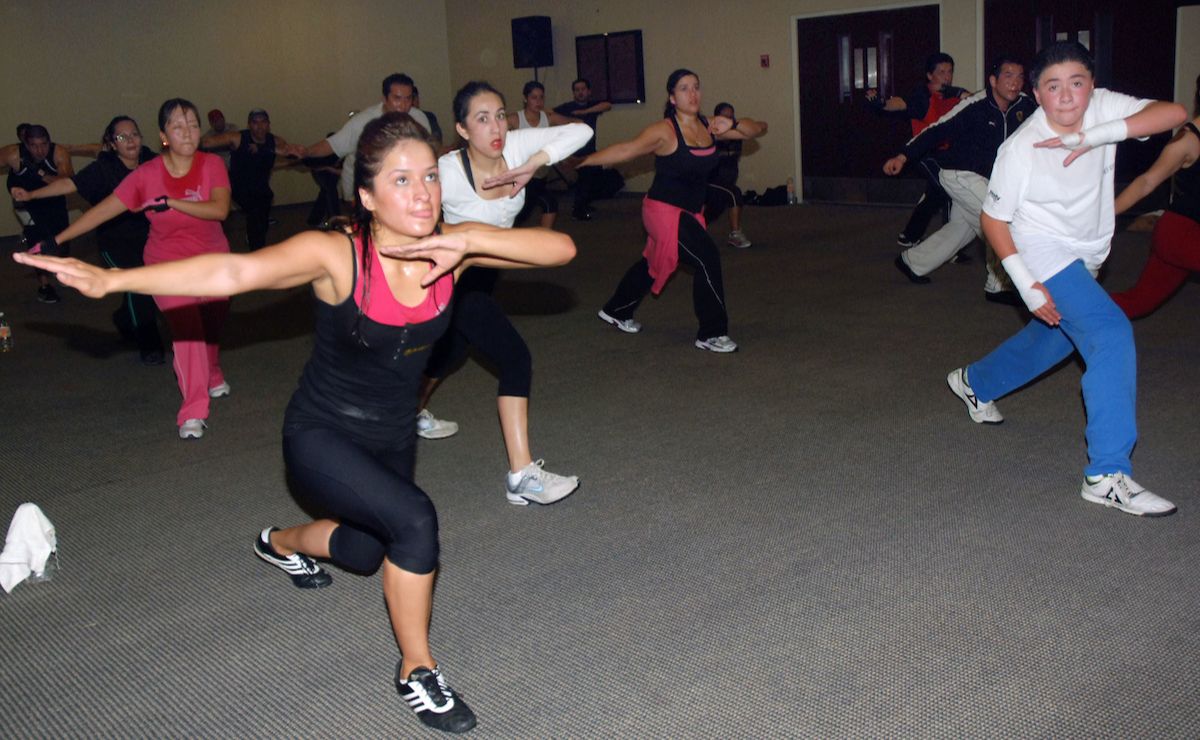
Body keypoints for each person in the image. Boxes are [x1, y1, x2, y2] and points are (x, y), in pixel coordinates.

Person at [16, 111, 577, 734]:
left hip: (390, 436)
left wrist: (471, 240)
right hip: (321, 433)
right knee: (415, 520)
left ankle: (278, 542)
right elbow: (236, 271)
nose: (421, 194)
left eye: (429, 178)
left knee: (366, 552)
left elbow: (562, 249)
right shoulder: (337, 254)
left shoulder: (452, 246)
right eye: (399, 180)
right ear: (365, 195)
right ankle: (416, 670)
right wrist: (115, 278)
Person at [946, 41, 1186, 517]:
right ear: (1036, 94)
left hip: (1086, 251)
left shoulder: (1102, 107)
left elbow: (1174, 113)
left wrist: (1099, 136)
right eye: (1053, 87)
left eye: (1077, 83)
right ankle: (1106, 474)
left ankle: (975, 381)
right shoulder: (1020, 148)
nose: (1067, 97)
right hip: (1038, 250)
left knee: (1056, 336)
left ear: (1091, 86)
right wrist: (1025, 280)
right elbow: (995, 221)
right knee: (1109, 333)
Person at [420, 81, 591, 505]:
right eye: (482, 119)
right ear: (462, 130)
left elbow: (581, 132)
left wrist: (535, 162)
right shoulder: (446, 172)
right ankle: (521, 475)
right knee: (515, 358)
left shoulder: (514, 147)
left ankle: (404, 413)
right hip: (453, 278)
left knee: (452, 353)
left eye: (500, 114)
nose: (496, 126)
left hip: (489, 275)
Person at [29, 98, 233, 440]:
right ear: (164, 134)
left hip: (212, 260)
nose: (188, 132)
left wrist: (171, 203)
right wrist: (56, 240)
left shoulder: (212, 164)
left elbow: (219, 210)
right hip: (165, 264)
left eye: (194, 125)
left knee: (211, 324)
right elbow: (105, 209)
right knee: (189, 332)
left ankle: (211, 372)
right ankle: (193, 410)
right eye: (178, 126)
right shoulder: (148, 175)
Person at [584, 68, 766, 353]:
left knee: (653, 262)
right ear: (672, 97)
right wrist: (581, 162)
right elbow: (625, 150)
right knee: (707, 257)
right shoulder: (664, 131)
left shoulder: (710, 126)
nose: (692, 93)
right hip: (661, 211)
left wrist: (732, 122)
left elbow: (759, 128)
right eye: (684, 88)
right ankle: (711, 333)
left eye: (696, 86)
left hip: (689, 211)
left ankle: (616, 309)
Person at [11, 116, 165, 364]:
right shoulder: (104, 168)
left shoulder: (152, 161)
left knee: (151, 285)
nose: (130, 140)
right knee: (140, 287)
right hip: (114, 242)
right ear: (112, 144)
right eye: (122, 137)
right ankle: (150, 345)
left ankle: (124, 319)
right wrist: (31, 194)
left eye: (134, 134)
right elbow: (68, 185)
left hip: (150, 237)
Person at [884, 55, 1036, 303]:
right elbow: (936, 130)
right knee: (997, 223)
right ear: (993, 80)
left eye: (1020, 77)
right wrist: (903, 156)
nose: (1015, 83)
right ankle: (998, 286)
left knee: (960, 229)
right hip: (959, 174)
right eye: (1008, 76)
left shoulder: (1024, 105)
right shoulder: (975, 106)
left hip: (989, 179)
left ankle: (912, 262)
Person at [1108, 74, 1200, 318]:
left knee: (1137, 303)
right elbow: (1147, 182)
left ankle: (1073, 312)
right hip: (1180, 233)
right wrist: (1106, 214)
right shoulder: (1187, 141)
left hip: (1186, 235)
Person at [867, 52, 968, 249]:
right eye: (941, 72)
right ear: (930, 76)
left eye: (950, 72)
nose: (947, 77)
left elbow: (977, 103)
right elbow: (900, 103)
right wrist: (881, 104)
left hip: (948, 154)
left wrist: (960, 94)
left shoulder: (954, 93)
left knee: (940, 193)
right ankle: (945, 245)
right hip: (924, 153)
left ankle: (911, 236)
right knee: (945, 189)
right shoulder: (922, 97)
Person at [301, 73, 433, 204]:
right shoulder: (363, 121)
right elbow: (332, 145)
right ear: (385, 98)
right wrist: (305, 152)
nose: (403, 105)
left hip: (399, 187)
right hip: (361, 188)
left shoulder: (419, 118)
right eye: (397, 98)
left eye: (408, 99)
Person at [201, 109, 303, 249]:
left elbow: (281, 156)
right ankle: (257, 251)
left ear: (268, 125)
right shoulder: (238, 138)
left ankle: (256, 243)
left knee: (262, 218)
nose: (259, 126)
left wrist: (285, 161)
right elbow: (206, 143)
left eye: (263, 122)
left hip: (261, 188)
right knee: (256, 215)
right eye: (255, 123)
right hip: (239, 187)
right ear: (249, 125)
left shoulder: (275, 141)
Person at [5, 124, 75, 303]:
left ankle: (63, 270)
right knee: (36, 241)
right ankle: (44, 286)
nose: (39, 150)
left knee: (62, 239)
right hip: (27, 205)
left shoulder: (58, 153)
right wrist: (12, 188)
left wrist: (40, 173)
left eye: (43, 144)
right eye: (34, 145)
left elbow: (70, 181)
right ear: (26, 145)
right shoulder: (14, 154)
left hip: (54, 201)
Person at [506, 80, 577, 229]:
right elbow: (490, 132)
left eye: (541, 97)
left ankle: (541, 240)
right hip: (523, 177)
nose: (538, 101)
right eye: (534, 97)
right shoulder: (515, 119)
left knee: (528, 211)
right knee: (546, 205)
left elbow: (576, 124)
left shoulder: (549, 117)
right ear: (525, 99)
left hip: (541, 176)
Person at [554, 78, 612, 220]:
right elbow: (550, 113)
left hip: (590, 149)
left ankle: (584, 204)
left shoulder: (592, 106)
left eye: (583, 89)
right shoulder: (568, 107)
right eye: (577, 90)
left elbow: (607, 105)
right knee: (585, 179)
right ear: (573, 92)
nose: (580, 92)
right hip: (575, 150)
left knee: (593, 177)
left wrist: (585, 111)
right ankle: (578, 210)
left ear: (588, 91)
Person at [704, 102, 753, 249]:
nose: (728, 119)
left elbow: (758, 128)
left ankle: (691, 231)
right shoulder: (711, 135)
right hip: (709, 180)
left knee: (713, 212)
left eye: (731, 116)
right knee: (734, 194)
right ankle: (735, 235)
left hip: (726, 182)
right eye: (725, 116)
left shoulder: (737, 135)